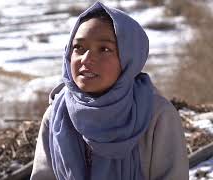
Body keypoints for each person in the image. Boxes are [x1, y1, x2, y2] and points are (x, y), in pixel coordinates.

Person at [30, 1, 188, 180]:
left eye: (104, 49)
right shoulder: (57, 115)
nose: (86, 59)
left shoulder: (157, 116)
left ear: (129, 59)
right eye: (79, 48)